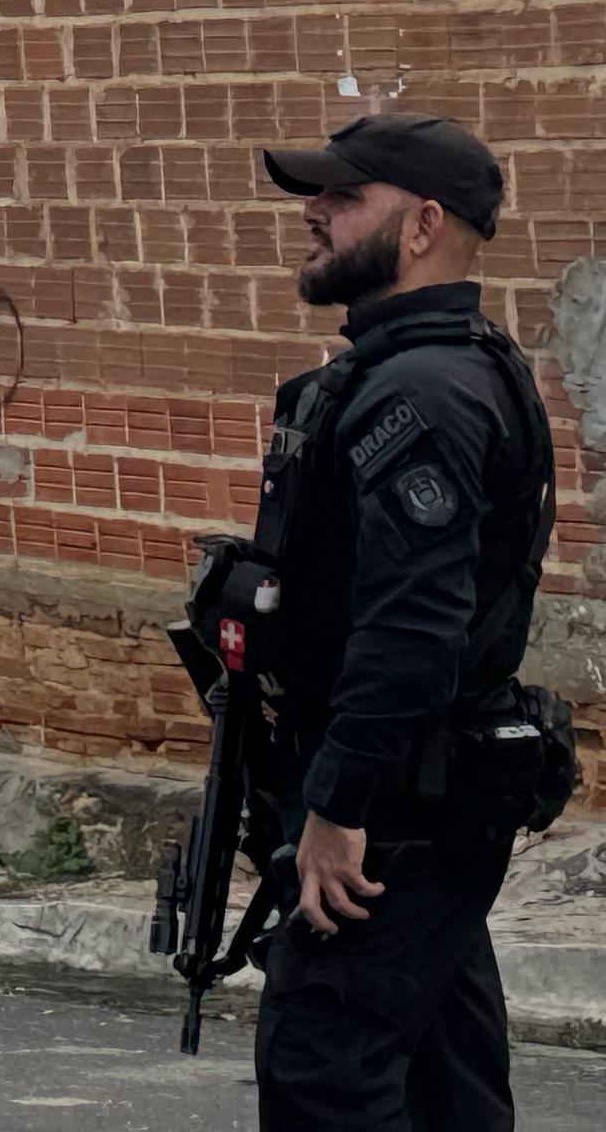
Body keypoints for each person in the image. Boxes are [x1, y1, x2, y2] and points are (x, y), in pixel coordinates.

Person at [239, 113, 559, 1130]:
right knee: (444, 1075)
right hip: (428, 798)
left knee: (326, 1073)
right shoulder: (434, 368)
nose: (314, 213)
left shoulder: (420, 393)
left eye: (342, 197)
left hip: (398, 807)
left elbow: (412, 629)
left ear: (421, 226)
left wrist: (339, 810)